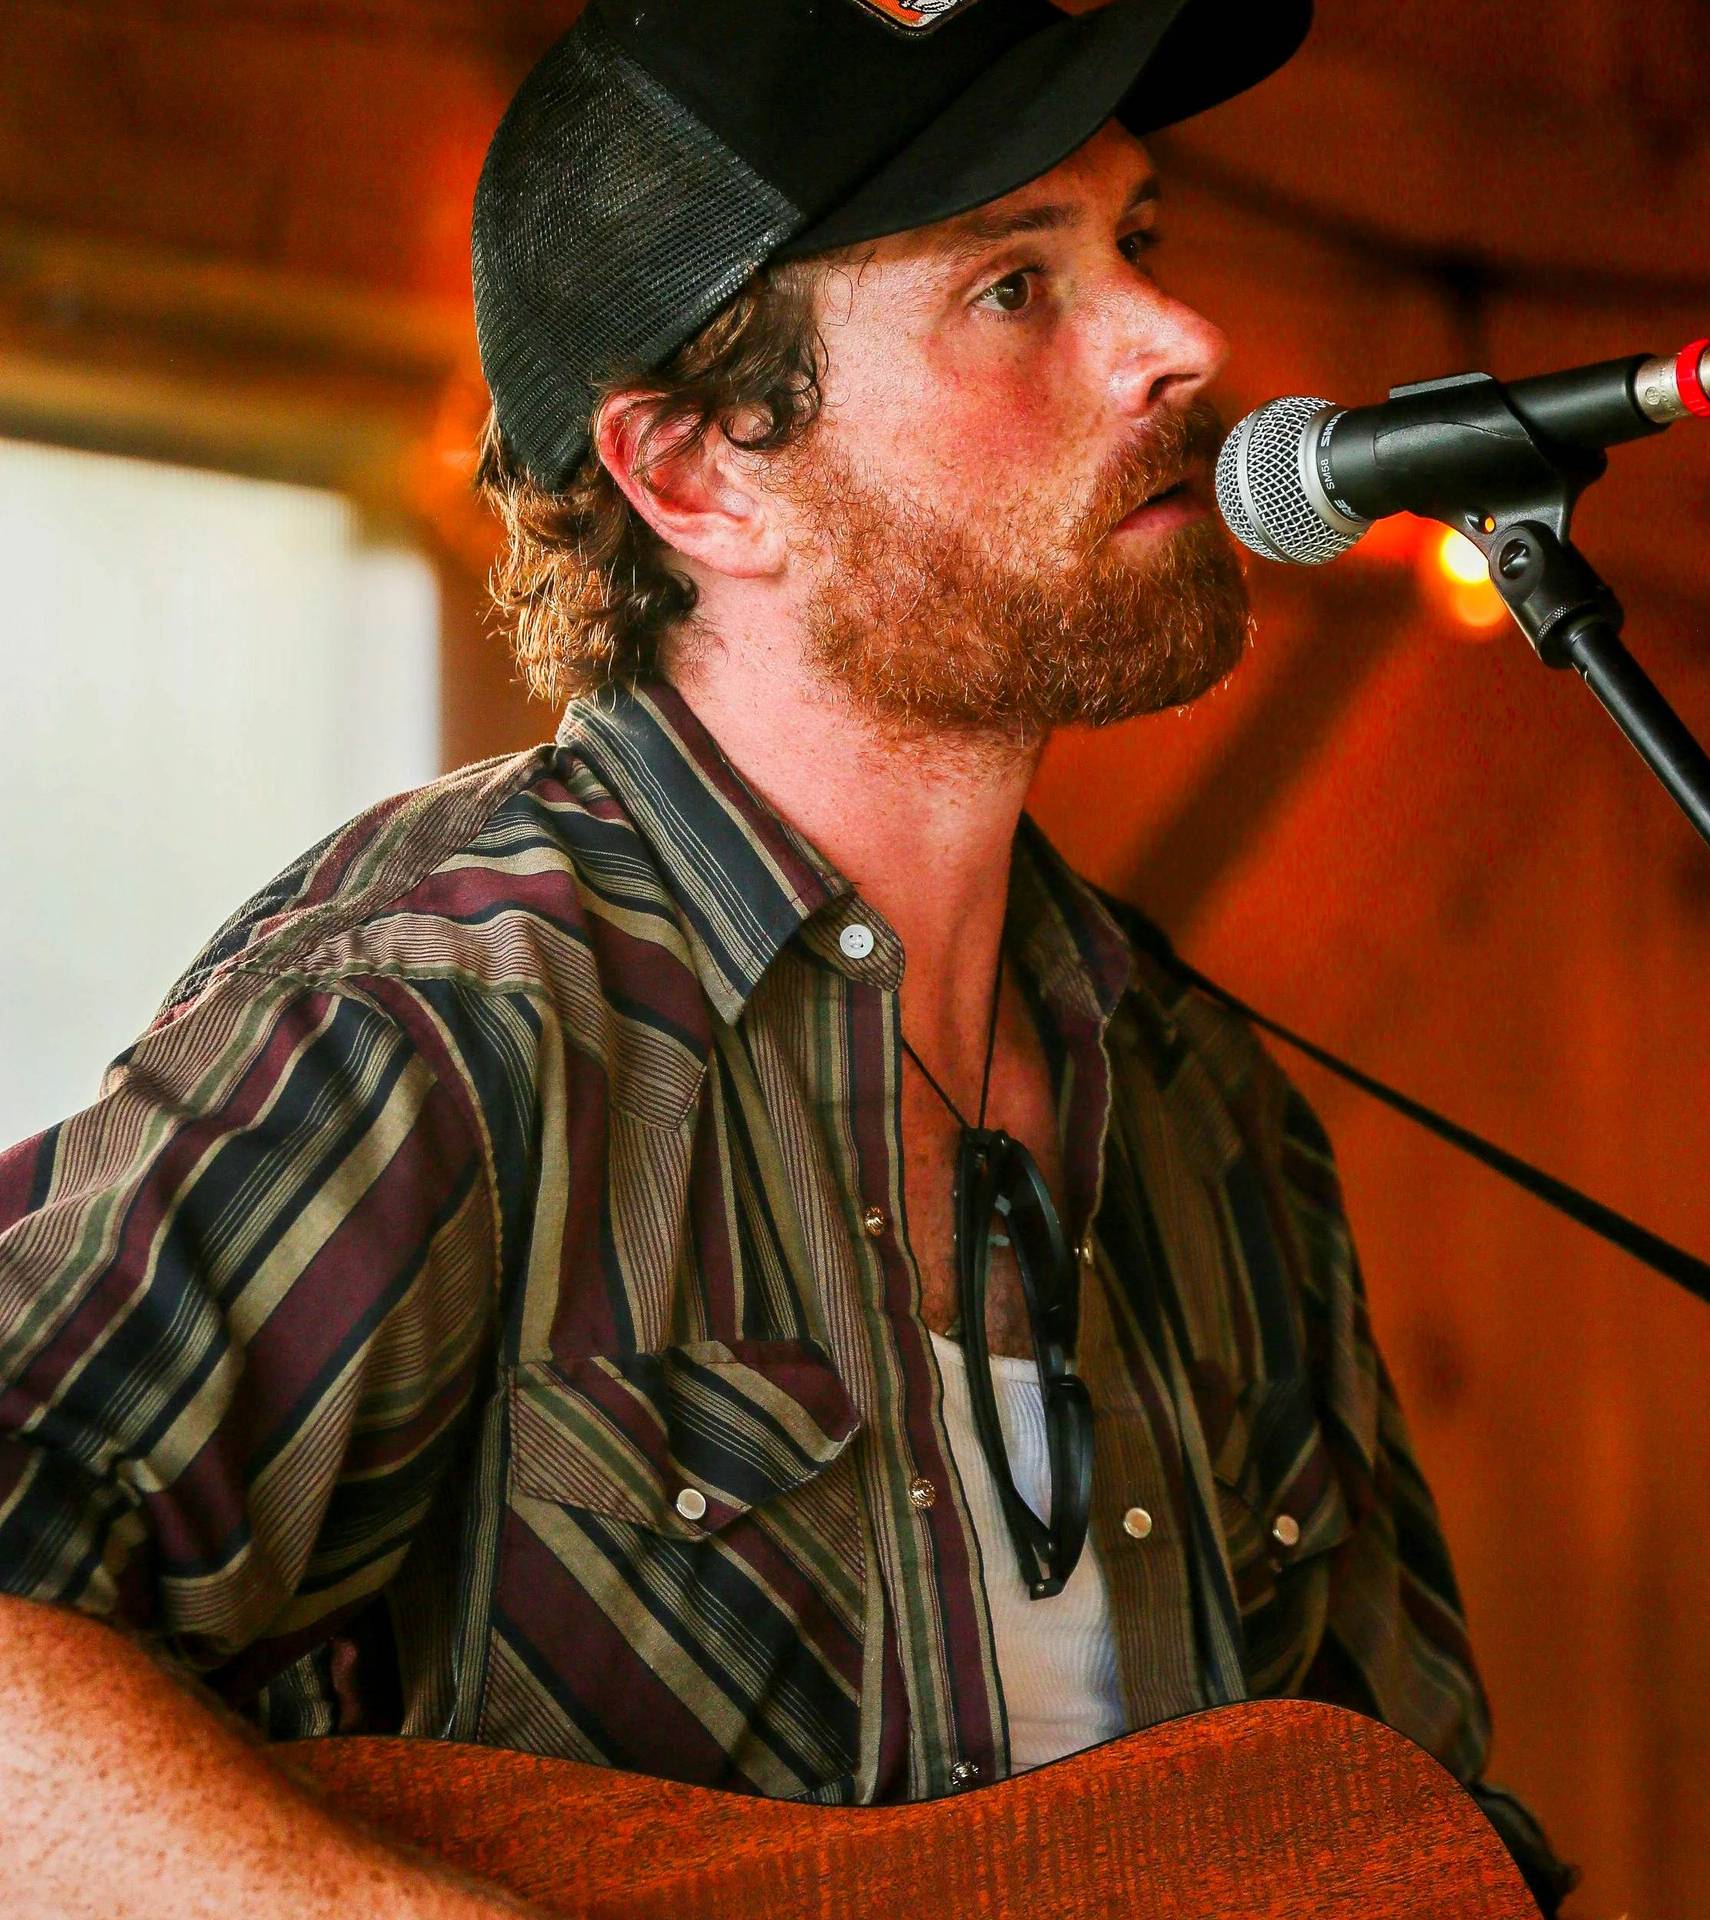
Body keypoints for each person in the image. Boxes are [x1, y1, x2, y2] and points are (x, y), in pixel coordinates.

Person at [0, 1, 1574, 1913]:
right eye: (1013, 286)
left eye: (1137, 244)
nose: (1185, 343)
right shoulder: (439, 1017)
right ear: (693, 476)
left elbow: (1405, 1840)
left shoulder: (1209, 1108)